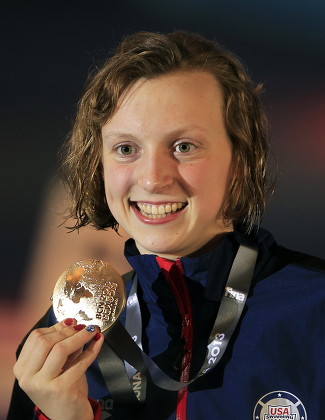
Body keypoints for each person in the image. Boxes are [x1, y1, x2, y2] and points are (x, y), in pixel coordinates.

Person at [7, 30, 325, 420]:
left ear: (241, 161)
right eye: (126, 149)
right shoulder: (60, 344)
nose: (153, 178)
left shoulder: (315, 312)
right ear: (100, 165)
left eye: (184, 146)